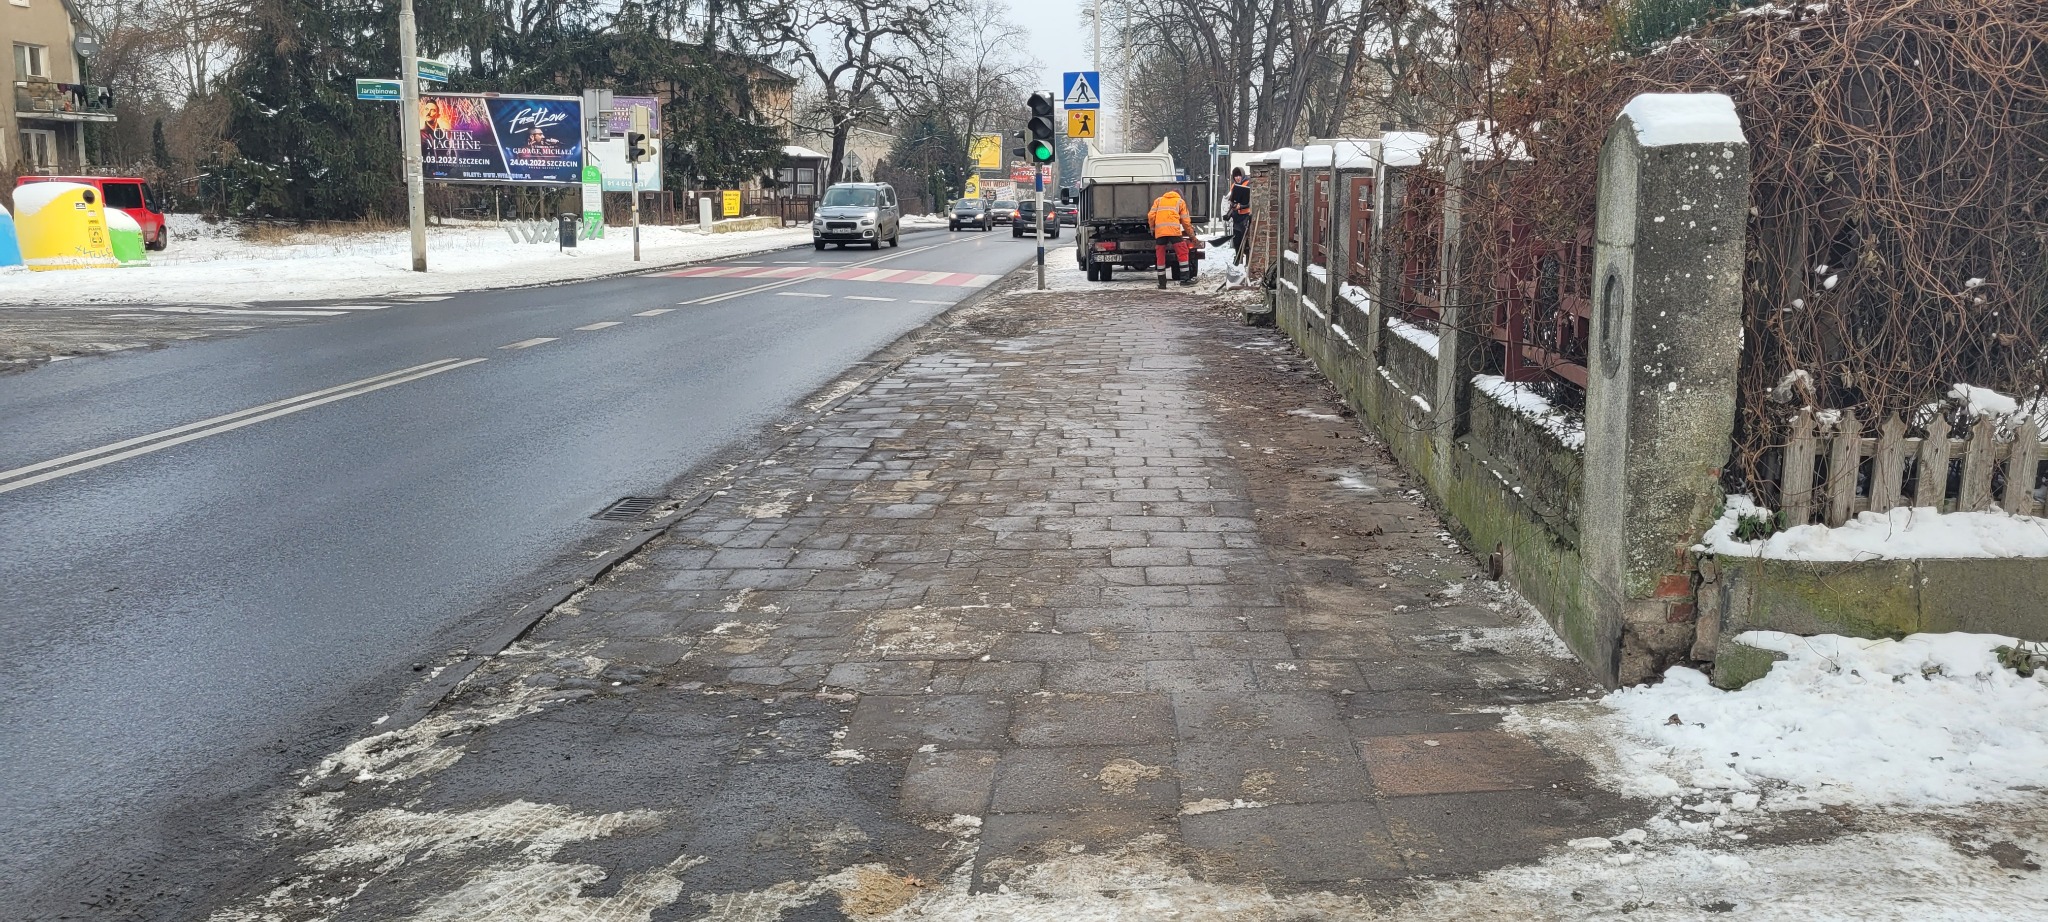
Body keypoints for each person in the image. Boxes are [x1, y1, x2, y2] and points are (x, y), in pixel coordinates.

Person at [1148, 188, 1195, 287]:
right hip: (1174, 232)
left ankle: (1162, 283)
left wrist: (1152, 228)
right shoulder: (1180, 201)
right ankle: (1185, 280)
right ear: (1179, 195)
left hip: (1160, 232)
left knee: (1160, 255)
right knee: (1182, 252)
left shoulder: (1159, 200)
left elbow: (1151, 215)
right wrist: (1191, 235)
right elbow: (1186, 222)